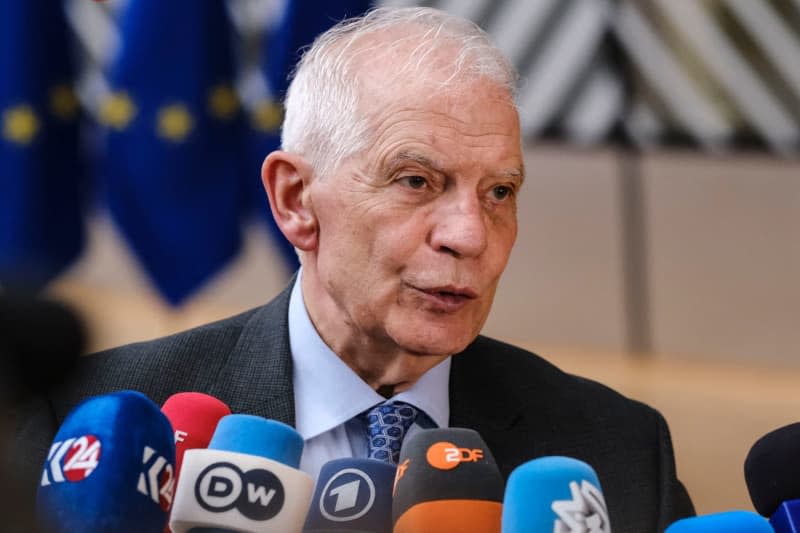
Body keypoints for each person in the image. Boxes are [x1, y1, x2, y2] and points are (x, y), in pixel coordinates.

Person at [10, 7, 694, 531]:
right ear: (296, 200)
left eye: (499, 193)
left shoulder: (617, 449)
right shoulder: (89, 421)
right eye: (417, 180)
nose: (469, 234)